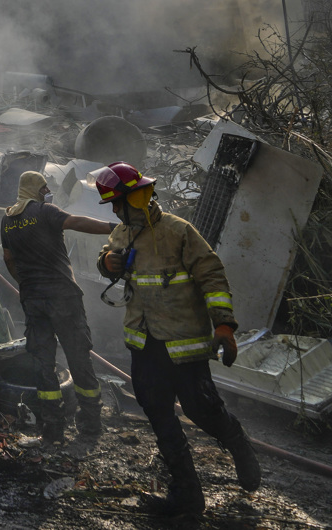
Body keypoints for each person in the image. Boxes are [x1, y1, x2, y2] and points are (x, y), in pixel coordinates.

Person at [95, 161, 261, 516]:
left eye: (116, 203)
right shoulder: (122, 233)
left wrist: (225, 325)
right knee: (159, 416)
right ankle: (187, 497)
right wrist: (106, 261)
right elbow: (107, 255)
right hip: (144, 344)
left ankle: (237, 442)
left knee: (202, 410)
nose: (113, 211)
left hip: (183, 344)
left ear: (134, 199)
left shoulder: (178, 231)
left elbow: (212, 276)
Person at [0, 170, 116, 443]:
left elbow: (8, 258)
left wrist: (24, 282)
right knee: (78, 357)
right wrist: (114, 228)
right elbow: (76, 222)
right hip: (63, 297)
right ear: (37, 190)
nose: (47, 191)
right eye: (45, 187)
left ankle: (51, 426)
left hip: (34, 300)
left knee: (43, 363)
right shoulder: (45, 211)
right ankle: (90, 424)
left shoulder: (7, 220)